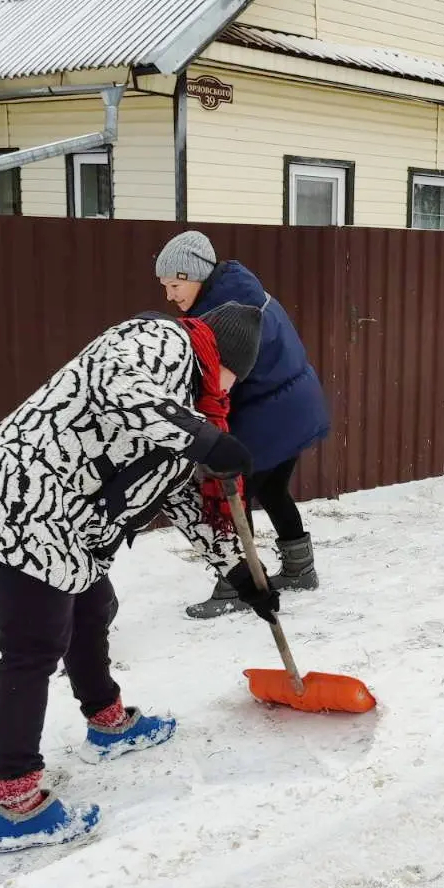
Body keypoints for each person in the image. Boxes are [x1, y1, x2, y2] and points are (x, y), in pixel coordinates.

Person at [0, 303, 282, 852]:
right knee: (32, 646)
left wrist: (238, 571)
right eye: (237, 377)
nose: (233, 391)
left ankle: (107, 720)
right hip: (23, 492)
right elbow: (117, 386)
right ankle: (16, 804)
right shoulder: (159, 340)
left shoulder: (190, 408)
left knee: (93, 608)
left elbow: (180, 498)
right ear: (225, 362)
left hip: (74, 516)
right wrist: (203, 438)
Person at [154, 231, 331, 619]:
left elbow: (215, 387)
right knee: (272, 488)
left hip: (271, 414)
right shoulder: (243, 291)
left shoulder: (224, 317)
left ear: (195, 275)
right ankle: (300, 569)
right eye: (165, 286)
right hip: (295, 406)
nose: (169, 295)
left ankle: (239, 585)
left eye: (175, 285)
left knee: (231, 496)